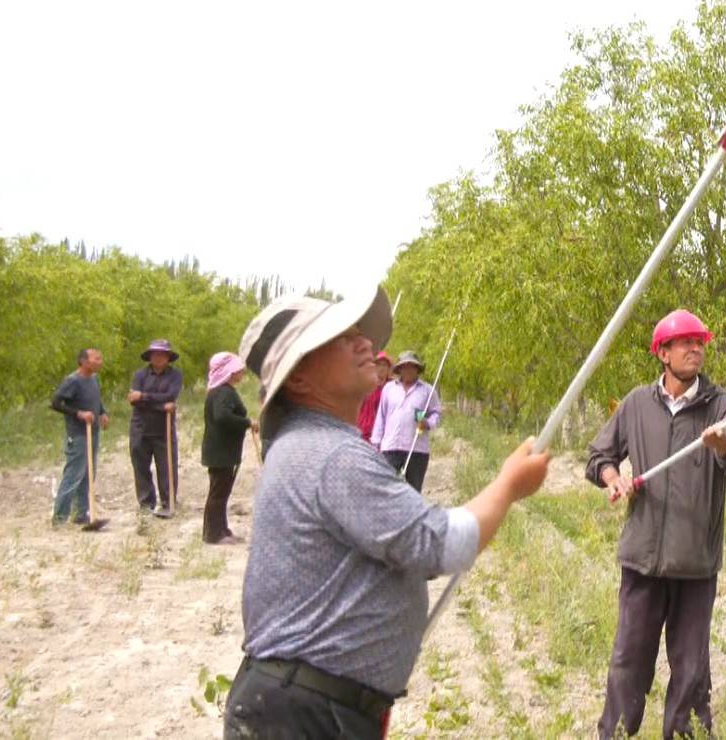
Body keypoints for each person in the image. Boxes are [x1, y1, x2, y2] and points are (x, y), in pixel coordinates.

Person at [223, 287, 547, 740]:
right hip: (306, 716)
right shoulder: (331, 454)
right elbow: (439, 544)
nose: (364, 345)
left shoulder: (308, 446)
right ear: (298, 379)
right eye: (341, 339)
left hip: (303, 706)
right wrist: (509, 486)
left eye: (359, 335)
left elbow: (398, 547)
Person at [586, 309, 726, 739]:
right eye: (684, 342)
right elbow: (598, 456)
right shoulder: (636, 404)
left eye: (699, 342)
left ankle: (686, 735)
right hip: (642, 558)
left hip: (696, 562)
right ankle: (617, 734)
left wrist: (723, 448)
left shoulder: (719, 407)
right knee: (629, 662)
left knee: (692, 669)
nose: (695, 348)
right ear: (662, 352)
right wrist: (614, 478)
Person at [202, 351, 258, 545]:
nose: (241, 372)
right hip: (220, 450)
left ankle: (221, 529)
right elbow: (222, 416)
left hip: (222, 450)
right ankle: (213, 534)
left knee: (222, 491)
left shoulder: (221, 391)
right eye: (237, 369)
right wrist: (247, 422)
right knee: (218, 492)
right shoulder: (223, 392)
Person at [50, 348, 107, 527]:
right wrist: (78, 413)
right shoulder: (72, 381)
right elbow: (56, 403)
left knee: (89, 473)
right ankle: (59, 518)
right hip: (78, 433)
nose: (100, 361)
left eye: (100, 358)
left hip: (94, 431)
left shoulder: (94, 379)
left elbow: (96, 399)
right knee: (74, 474)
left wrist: (102, 412)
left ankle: (81, 513)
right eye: (96, 358)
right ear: (83, 361)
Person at [370, 350, 442, 491]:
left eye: (412, 366)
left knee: (413, 492)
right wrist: (375, 443)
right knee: (386, 490)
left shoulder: (427, 391)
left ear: (417, 369)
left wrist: (427, 423)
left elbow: (436, 414)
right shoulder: (389, 389)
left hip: (416, 449)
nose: (408, 369)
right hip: (390, 448)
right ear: (400, 369)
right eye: (405, 366)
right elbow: (381, 417)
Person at [128, 339, 183, 518]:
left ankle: (168, 502)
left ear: (168, 357)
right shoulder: (139, 375)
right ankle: (146, 504)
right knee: (141, 466)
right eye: (155, 354)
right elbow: (134, 401)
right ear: (150, 356)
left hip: (164, 428)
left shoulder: (175, 375)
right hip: (140, 427)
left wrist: (143, 396)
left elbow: (171, 395)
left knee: (167, 466)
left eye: (162, 354)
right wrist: (160, 404)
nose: (159, 357)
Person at [356, 351, 392, 445]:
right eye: (378, 364)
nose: (381, 369)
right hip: (362, 432)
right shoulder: (364, 385)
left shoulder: (392, 389)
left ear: (389, 369)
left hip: (384, 436)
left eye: (385, 365)